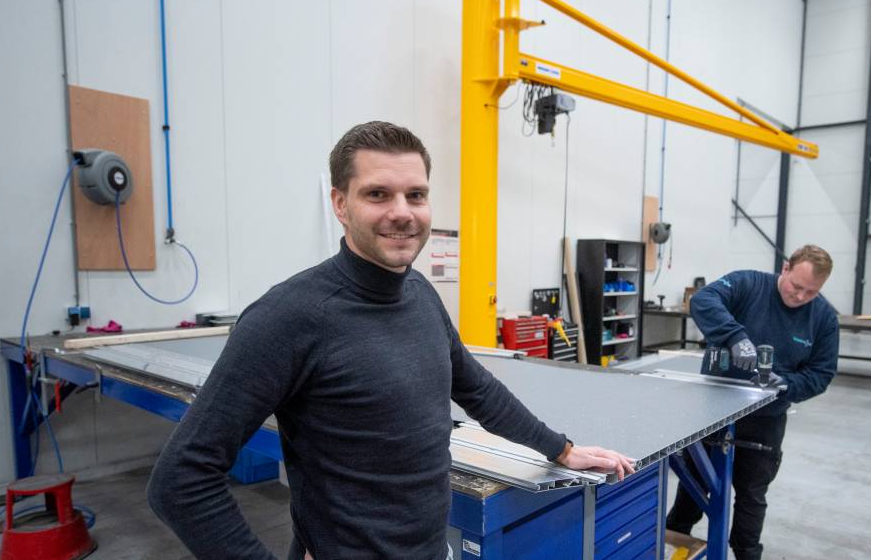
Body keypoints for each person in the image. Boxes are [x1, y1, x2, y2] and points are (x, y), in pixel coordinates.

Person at [148, 121, 634, 560]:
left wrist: (561, 449)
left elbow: (476, 388)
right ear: (340, 204)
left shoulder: (420, 293)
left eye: (416, 195)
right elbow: (181, 480)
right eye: (378, 194)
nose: (403, 213)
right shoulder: (289, 316)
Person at [665, 245, 839, 560]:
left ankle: (746, 554)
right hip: (714, 411)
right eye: (796, 286)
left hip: (766, 418)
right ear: (785, 268)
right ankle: (673, 542)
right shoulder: (749, 284)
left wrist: (785, 385)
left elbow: (821, 374)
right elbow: (703, 300)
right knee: (692, 489)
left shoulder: (824, 318)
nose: (800, 297)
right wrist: (734, 337)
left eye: (810, 292)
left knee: (751, 497)